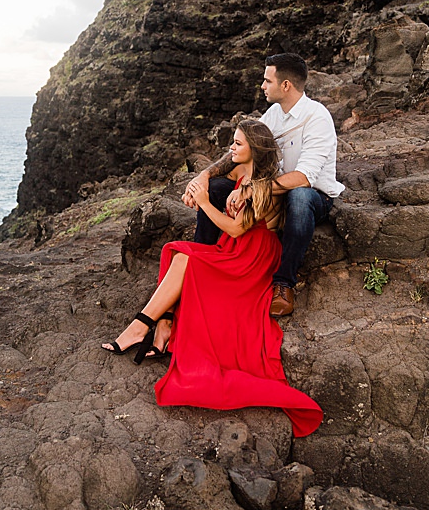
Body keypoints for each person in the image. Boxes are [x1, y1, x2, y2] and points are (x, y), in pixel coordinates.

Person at [102, 120, 323, 437]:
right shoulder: (238, 172)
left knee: (184, 260)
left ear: (253, 151)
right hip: (234, 248)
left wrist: (205, 203)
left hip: (252, 258)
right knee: (175, 253)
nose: (231, 148)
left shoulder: (263, 185)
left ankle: (142, 327)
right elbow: (213, 174)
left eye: (237, 144)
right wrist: (196, 189)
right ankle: (158, 328)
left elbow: (236, 229)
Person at [181, 53, 343, 316]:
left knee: (299, 198)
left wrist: (251, 189)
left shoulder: (317, 118)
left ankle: (283, 284)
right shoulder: (274, 114)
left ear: (286, 85)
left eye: (267, 81)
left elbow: (304, 177)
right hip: (273, 193)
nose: (262, 86)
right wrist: (204, 176)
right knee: (216, 189)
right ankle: (204, 260)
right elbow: (242, 149)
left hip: (314, 197)